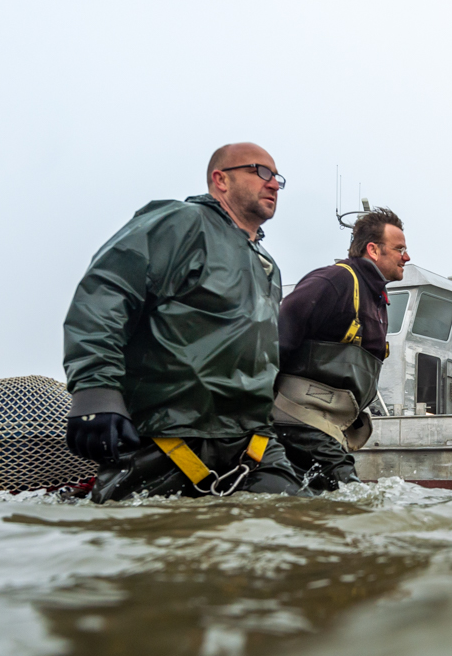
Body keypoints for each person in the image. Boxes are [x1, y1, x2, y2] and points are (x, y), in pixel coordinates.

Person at [62, 142, 309, 501]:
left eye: (278, 178)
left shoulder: (266, 264)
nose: (273, 184)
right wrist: (94, 388)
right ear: (220, 179)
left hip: (253, 444)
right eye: (261, 172)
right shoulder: (182, 223)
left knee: (304, 529)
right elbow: (107, 291)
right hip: (168, 434)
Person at [273, 207, 410, 490]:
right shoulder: (335, 281)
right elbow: (275, 340)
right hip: (299, 419)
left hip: (328, 426)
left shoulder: (376, 297)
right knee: (352, 497)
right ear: (373, 249)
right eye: (400, 249)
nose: (406, 257)